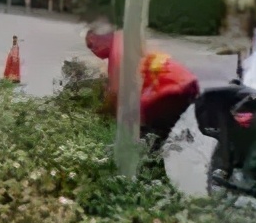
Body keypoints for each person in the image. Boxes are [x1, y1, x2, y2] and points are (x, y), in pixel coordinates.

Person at [85, 23, 200, 155]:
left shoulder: (117, 52)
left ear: (104, 37)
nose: (92, 50)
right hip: (186, 83)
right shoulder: (127, 39)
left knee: (148, 139)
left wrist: (109, 116)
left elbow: (119, 94)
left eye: (92, 44)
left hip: (167, 91)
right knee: (167, 130)